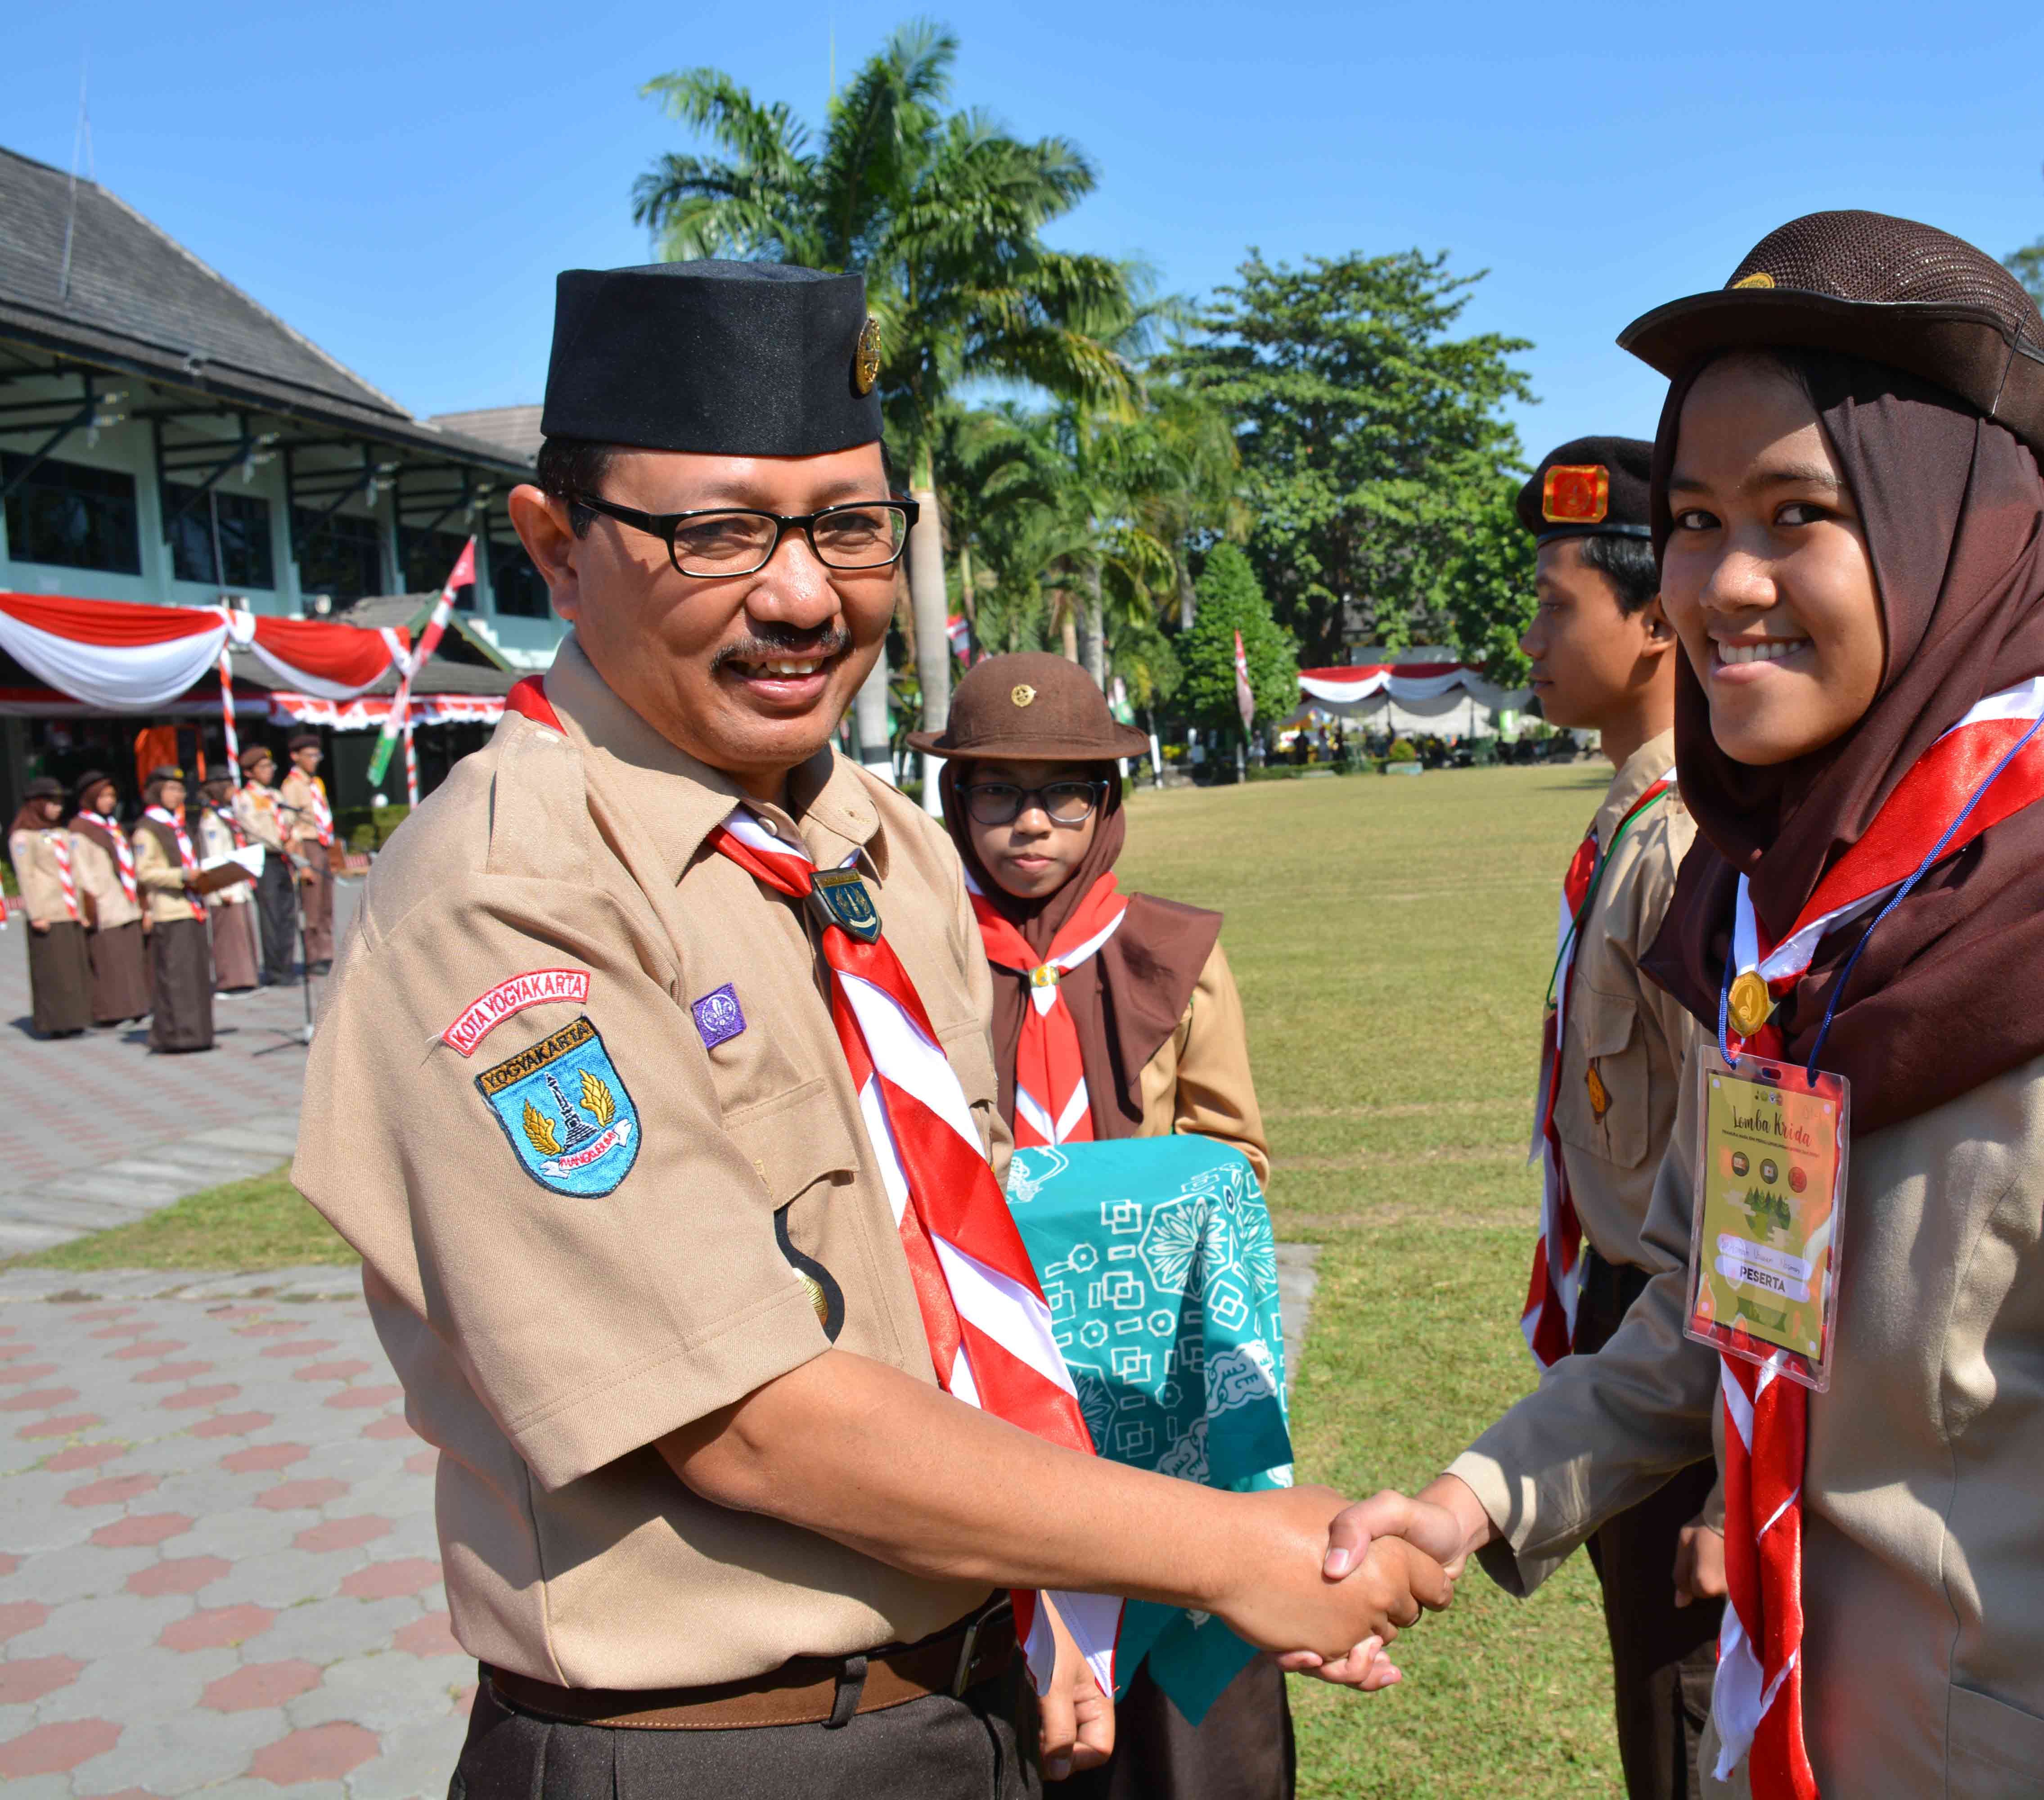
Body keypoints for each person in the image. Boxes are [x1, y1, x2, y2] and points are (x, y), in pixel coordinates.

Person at [290, 259, 1445, 1800]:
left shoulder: (878, 842)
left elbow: (952, 1285)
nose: (801, 595)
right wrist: (1221, 1547)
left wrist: (1083, 1594)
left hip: (969, 1707)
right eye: (715, 533)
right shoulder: (513, 899)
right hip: (713, 1753)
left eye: (848, 528)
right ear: (558, 552)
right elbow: (746, 1420)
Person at [1317, 212, 2044, 1799]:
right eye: (1694, 519)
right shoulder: (1796, 913)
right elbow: (1728, 1308)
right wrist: (1477, 1495)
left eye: (1797, 515)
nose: (1723, 585)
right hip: (1779, 1734)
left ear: (1942, 532)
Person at [910, 649, 1286, 1800]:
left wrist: (1076, 1196)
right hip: (979, 1376)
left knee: (1188, 1703)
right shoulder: (913, 966)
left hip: (1154, 1383)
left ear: (1109, 805)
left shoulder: (1175, 954)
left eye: (1065, 791)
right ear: (952, 801)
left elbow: (1237, 1161)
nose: (1031, 822)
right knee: (1004, 1663)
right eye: (996, 791)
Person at [1506, 434, 1719, 1800]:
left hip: (1682, 1362)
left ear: (1653, 624)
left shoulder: (1688, 839)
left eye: (1551, 601)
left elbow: (1739, 1178)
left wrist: (1725, 1474)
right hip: (1626, 1328)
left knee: (1691, 1729)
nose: (1527, 633)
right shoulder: (1631, 826)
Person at [131, 765, 216, 1054]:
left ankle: (199, 1033)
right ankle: (177, 1036)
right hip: (170, 911)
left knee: (196, 977)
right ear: (156, 792)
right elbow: (144, 872)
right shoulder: (148, 828)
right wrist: (181, 875)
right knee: (177, 978)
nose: (177, 794)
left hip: (192, 909)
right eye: (170, 789)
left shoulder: (177, 825)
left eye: (180, 789)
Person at [66, 770, 151, 1027]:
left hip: (126, 900)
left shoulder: (112, 826)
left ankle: (137, 1006)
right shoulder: (80, 829)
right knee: (110, 960)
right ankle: (113, 1012)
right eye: (103, 796)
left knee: (130, 957)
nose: (109, 801)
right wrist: (97, 902)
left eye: (112, 796)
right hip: (105, 904)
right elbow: (81, 872)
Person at [8, 777, 92, 1036]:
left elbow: (75, 872)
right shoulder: (23, 837)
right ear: (37, 804)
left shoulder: (62, 834)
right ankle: (55, 1023)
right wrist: (36, 914)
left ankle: (75, 1019)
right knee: (53, 971)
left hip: (69, 909)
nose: (58, 809)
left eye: (60, 803)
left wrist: (82, 909)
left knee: (73, 970)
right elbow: (27, 877)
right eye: (52, 803)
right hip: (48, 912)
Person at [233, 745, 300, 986]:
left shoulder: (276, 796)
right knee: (271, 914)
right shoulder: (245, 799)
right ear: (249, 773)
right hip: (265, 858)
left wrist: (294, 838)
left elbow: (293, 822)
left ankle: (288, 964)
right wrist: (283, 842)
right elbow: (255, 831)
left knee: (288, 913)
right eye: (262, 767)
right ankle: (275, 970)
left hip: (283, 858)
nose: (269, 771)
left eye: (270, 766)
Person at [195, 774, 263, 994]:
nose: (235, 791)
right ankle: (231, 982)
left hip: (238, 882)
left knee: (242, 933)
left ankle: (246, 978)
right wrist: (223, 888)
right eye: (230, 787)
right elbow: (215, 854)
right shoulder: (211, 820)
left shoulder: (225, 815)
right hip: (225, 886)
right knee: (228, 936)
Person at [279, 731, 337, 972]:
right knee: (312, 905)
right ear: (295, 757)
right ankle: (313, 957)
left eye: (317, 755)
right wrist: (301, 862)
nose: (315, 759)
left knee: (326, 904)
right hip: (308, 845)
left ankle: (327, 951)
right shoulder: (292, 786)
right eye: (309, 755)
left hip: (322, 844)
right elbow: (288, 825)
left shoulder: (315, 784)